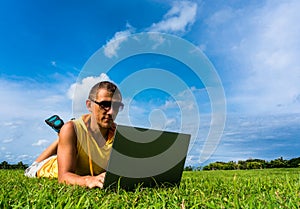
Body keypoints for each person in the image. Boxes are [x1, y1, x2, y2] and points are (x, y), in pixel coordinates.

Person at [25, 81, 124, 188]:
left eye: (116, 106)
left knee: (69, 133)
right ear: (89, 105)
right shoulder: (71, 129)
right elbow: (63, 177)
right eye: (105, 105)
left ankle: (62, 135)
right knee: (68, 131)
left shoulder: (117, 134)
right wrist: (88, 180)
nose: (111, 112)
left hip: (75, 140)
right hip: (49, 167)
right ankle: (63, 134)